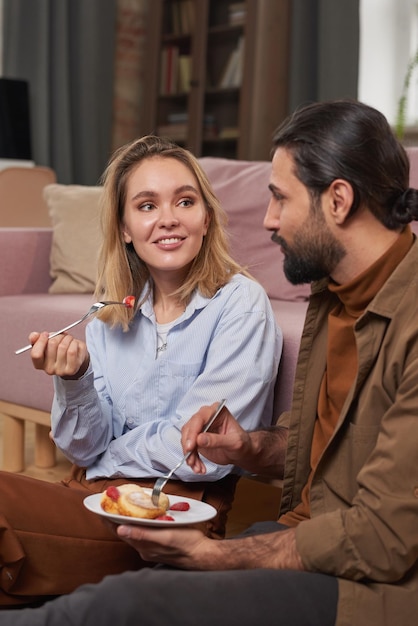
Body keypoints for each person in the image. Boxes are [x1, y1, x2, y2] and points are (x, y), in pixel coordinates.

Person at [1, 99, 416, 626]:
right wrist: (251, 445)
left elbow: (382, 537)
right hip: (292, 534)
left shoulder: (251, 303)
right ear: (124, 227)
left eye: (279, 198)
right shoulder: (332, 299)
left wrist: (214, 555)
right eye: (146, 206)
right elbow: (321, 445)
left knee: (122, 605)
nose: (266, 221)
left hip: (355, 578)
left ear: (337, 200)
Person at [0, 135, 281, 607]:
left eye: (185, 201)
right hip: (89, 494)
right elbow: (83, 445)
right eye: (146, 205)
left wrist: (105, 461)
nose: (168, 218)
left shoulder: (240, 304)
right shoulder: (112, 313)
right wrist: (75, 381)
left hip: (172, 515)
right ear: (125, 227)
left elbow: (203, 451)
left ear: (206, 217)